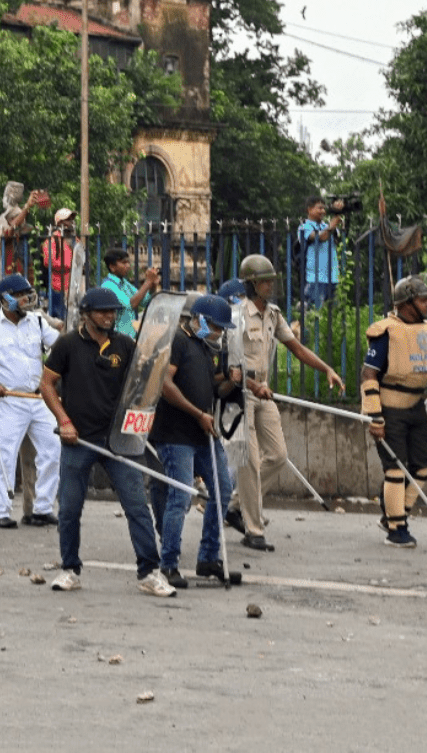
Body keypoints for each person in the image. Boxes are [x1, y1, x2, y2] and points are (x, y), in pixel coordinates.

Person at [39, 287, 175, 598]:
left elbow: (142, 384)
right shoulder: (67, 344)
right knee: (70, 509)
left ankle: (149, 572)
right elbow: (46, 383)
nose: (110, 316)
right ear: (86, 314)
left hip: (118, 441)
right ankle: (69, 569)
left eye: (113, 312)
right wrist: (64, 421)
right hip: (78, 440)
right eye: (103, 312)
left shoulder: (125, 345)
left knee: (137, 507)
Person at [225, 255, 345, 552]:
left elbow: (297, 348)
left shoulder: (274, 315)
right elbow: (227, 364)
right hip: (239, 394)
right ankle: (254, 529)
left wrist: (326, 369)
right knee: (249, 462)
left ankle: (235, 506)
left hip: (264, 392)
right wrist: (251, 385)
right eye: (265, 281)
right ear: (252, 284)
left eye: (271, 280)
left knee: (277, 455)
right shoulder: (236, 315)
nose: (270, 286)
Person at [150, 294, 241, 588]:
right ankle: (169, 564)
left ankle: (208, 557)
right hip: (176, 434)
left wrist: (230, 379)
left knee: (222, 490)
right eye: (216, 327)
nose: (219, 333)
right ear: (200, 320)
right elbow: (165, 384)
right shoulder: (177, 341)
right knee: (181, 497)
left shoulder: (203, 347)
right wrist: (197, 413)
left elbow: (212, 386)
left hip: (203, 433)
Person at [361, 276, 427, 549]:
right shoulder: (386, 332)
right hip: (390, 409)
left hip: (417, 408)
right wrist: (374, 416)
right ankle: (397, 528)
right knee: (396, 468)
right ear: (406, 303)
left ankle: (395, 510)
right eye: (422, 299)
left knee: (424, 463)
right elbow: (368, 374)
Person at [0, 274, 60, 529]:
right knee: (5, 456)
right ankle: (1, 511)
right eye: (20, 294)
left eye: (27, 293)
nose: (26, 298)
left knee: (52, 449)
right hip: (9, 400)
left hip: (38, 398)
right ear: (5, 299)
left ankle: (42, 508)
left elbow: (60, 347)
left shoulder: (38, 322)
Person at [0, 182, 46, 296]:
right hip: (7, 277)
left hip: (20, 277)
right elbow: (11, 228)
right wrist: (27, 207)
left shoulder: (21, 238)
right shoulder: (7, 233)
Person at [101, 247, 158, 339]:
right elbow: (131, 305)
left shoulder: (125, 283)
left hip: (130, 337)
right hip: (116, 338)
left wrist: (152, 286)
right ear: (112, 267)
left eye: (128, 262)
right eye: (123, 263)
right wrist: (147, 282)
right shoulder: (108, 286)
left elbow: (144, 302)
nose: (128, 266)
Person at [298, 194, 343, 311]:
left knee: (333, 316)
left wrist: (338, 213)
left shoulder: (325, 226)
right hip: (316, 279)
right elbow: (321, 237)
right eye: (319, 208)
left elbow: (340, 238)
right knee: (315, 315)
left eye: (324, 208)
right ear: (309, 209)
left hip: (333, 277)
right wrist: (331, 226)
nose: (323, 211)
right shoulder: (304, 227)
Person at [41, 208, 76, 321]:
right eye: (68, 220)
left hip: (73, 284)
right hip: (57, 285)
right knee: (59, 318)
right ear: (60, 223)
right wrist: (69, 264)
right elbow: (48, 262)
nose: (71, 222)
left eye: (72, 219)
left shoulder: (75, 239)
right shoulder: (52, 240)